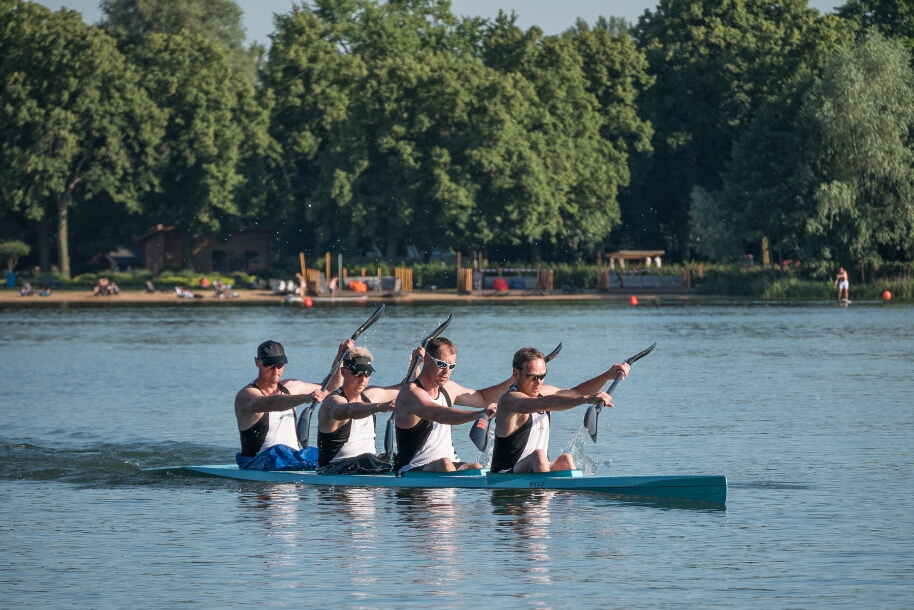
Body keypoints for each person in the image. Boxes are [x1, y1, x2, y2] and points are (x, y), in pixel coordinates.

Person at [490, 347, 630, 474]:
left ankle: (573, 493)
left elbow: (578, 391)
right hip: (504, 475)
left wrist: (607, 376)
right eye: (533, 377)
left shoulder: (542, 392)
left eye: (542, 376)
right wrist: (587, 399)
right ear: (516, 374)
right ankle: (546, 492)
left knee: (566, 460)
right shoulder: (509, 400)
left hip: (536, 470)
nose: (539, 382)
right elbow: (545, 403)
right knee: (539, 456)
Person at [394, 337, 510, 474]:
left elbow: (483, 397)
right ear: (427, 360)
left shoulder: (449, 389)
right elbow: (438, 414)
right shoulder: (410, 393)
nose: (446, 371)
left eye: (451, 366)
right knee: (445, 464)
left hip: (448, 464)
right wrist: (478, 414)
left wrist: (515, 379)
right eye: (441, 364)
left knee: (477, 468)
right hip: (412, 468)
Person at [234, 339, 350, 469]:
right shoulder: (246, 395)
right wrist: (304, 398)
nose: (275, 369)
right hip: (257, 462)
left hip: (292, 459)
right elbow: (271, 403)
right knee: (277, 451)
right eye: (269, 364)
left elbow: (329, 388)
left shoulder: (292, 387)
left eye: (279, 364)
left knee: (327, 455)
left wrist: (341, 355)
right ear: (257, 362)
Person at [316, 345, 423, 474]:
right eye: (357, 372)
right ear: (343, 372)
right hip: (333, 469)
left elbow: (407, 389)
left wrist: (415, 363)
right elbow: (348, 410)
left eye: (367, 373)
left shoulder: (371, 395)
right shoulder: (332, 401)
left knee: (400, 457)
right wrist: (381, 406)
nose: (363, 378)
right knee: (366, 459)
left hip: (367, 465)